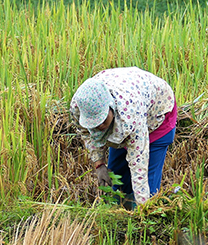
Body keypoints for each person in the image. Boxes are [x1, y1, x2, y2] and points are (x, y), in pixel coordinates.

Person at [70, 67, 177, 209]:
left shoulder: (129, 116)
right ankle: (118, 216)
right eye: (94, 124)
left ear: (111, 107)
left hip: (157, 113)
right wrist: (99, 164)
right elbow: (86, 133)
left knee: (147, 191)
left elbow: (139, 165)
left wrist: (143, 211)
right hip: (128, 102)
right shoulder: (79, 107)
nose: (100, 126)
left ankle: (139, 220)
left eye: (103, 120)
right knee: (116, 182)